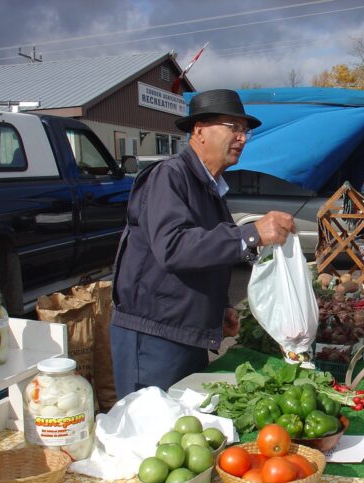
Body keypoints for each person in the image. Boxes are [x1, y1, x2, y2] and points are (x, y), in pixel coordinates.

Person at [110, 89, 295, 398]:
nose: (242, 138)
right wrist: (250, 234)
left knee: (184, 428)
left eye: (244, 130)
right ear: (199, 131)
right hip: (154, 337)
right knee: (152, 432)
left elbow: (205, 253)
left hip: (186, 332)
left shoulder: (209, 188)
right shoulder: (169, 176)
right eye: (232, 127)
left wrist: (217, 308)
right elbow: (174, 247)